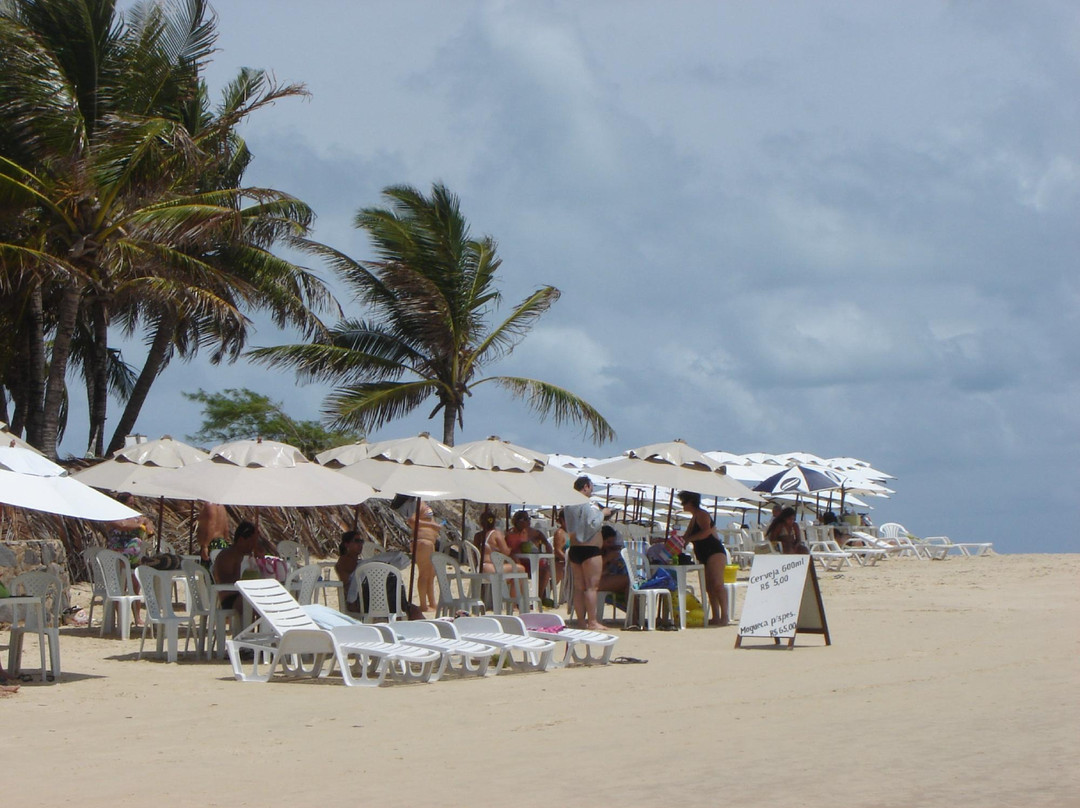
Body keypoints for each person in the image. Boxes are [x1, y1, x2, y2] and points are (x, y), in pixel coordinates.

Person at [563, 476, 610, 631]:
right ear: (586, 486)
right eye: (591, 487)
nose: (592, 491)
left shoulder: (569, 505)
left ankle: (581, 622)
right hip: (590, 549)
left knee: (579, 588)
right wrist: (603, 513)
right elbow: (593, 524)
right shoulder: (585, 504)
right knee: (591, 587)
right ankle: (592, 621)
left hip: (575, 548)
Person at [678, 491, 730, 626]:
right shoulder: (694, 517)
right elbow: (685, 537)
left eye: (684, 501)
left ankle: (725, 616)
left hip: (714, 552)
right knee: (709, 587)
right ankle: (716, 616)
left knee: (718, 584)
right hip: (704, 554)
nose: (682, 504)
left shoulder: (702, 514)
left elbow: (706, 532)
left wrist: (689, 539)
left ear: (690, 502)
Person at [106, 492, 155, 625]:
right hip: (117, 556)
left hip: (133, 558)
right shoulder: (112, 515)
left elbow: (146, 521)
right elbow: (122, 525)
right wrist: (139, 524)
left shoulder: (134, 516)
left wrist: (146, 522)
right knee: (121, 587)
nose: (132, 506)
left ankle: (137, 617)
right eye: (130, 503)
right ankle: (120, 618)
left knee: (135, 586)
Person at [396, 496, 440, 614]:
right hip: (422, 542)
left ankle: (432, 603)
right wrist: (432, 526)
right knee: (424, 573)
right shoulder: (417, 504)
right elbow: (412, 521)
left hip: (429, 543)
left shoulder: (422, 503)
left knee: (431, 574)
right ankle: (423, 605)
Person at [474, 506, 526, 600]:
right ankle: (513, 604)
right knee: (520, 569)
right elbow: (505, 552)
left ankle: (510, 600)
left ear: (481, 523)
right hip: (492, 568)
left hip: (480, 568)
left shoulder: (477, 536)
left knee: (512, 573)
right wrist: (511, 546)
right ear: (494, 522)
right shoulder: (496, 534)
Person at [505, 510, 553, 607]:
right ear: (517, 521)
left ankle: (539, 598)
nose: (529, 521)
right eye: (526, 519)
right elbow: (506, 551)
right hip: (516, 563)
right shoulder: (510, 534)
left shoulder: (534, 533)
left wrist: (545, 554)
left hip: (531, 563)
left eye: (529, 519)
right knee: (518, 568)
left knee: (546, 570)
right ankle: (519, 601)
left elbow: (548, 546)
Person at [212, 521, 260, 611]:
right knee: (254, 601)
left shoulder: (246, 556)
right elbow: (225, 583)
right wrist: (240, 566)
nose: (253, 546)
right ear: (241, 539)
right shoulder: (228, 555)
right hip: (230, 599)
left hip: (243, 595)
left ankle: (261, 625)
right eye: (252, 542)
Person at [598, 524, 629, 599]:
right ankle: (632, 610)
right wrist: (607, 558)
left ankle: (631, 608)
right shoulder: (595, 550)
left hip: (604, 578)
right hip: (594, 581)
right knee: (629, 581)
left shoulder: (606, 550)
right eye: (608, 542)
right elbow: (593, 569)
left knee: (631, 585)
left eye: (612, 542)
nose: (611, 545)